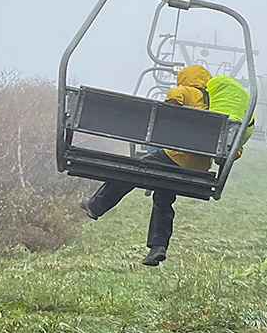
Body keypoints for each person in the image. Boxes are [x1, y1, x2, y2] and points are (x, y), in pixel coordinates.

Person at [80, 64, 254, 266]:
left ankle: (96, 205)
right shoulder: (213, 104)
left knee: (130, 172)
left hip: (174, 157)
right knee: (163, 198)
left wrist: (174, 102)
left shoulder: (189, 92)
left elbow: (174, 97)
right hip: (198, 168)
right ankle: (158, 247)